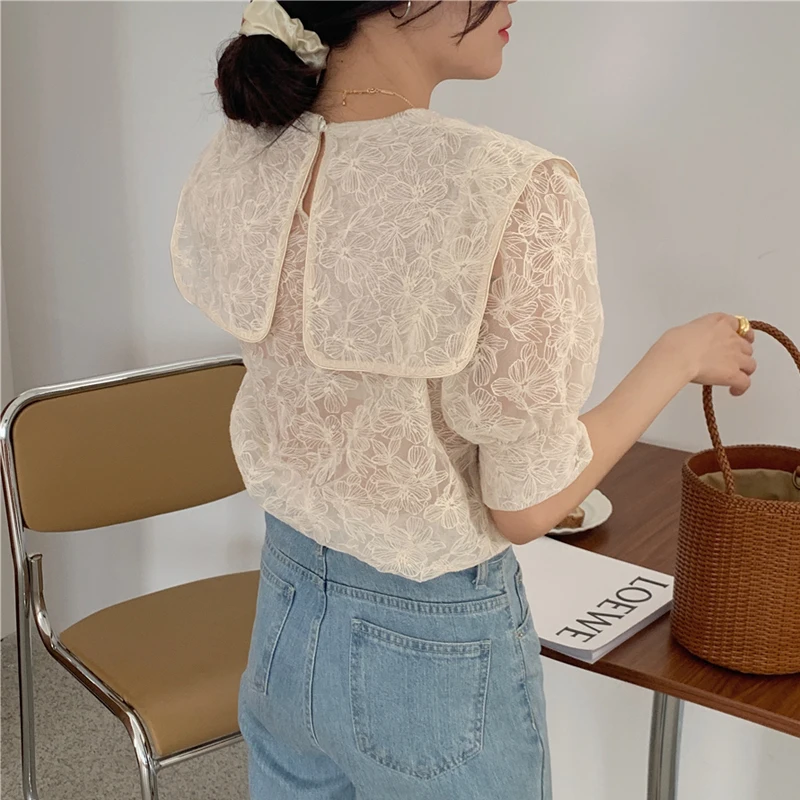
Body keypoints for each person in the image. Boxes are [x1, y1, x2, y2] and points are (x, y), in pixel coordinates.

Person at [170, 2, 757, 797]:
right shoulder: (511, 187)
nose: (510, 6)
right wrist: (677, 357)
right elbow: (526, 506)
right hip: (431, 657)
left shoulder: (251, 150)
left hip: (285, 611)